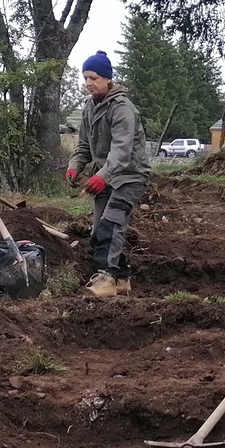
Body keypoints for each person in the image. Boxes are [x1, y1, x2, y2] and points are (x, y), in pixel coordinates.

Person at [66, 50, 152, 299]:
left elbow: (121, 152)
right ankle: (122, 278)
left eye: (93, 77)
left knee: (111, 226)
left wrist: (102, 175)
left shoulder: (123, 109)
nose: (88, 83)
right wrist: (75, 166)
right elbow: (83, 146)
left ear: (107, 78)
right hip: (105, 175)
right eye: (85, 78)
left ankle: (107, 278)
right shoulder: (89, 108)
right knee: (98, 231)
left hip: (130, 176)